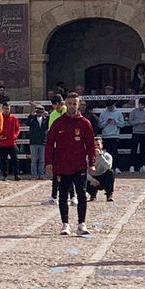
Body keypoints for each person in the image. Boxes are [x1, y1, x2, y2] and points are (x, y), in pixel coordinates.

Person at [45, 93, 99, 237]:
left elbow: (90, 145)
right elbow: (49, 143)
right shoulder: (58, 122)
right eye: (69, 103)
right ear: (65, 104)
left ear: (78, 104)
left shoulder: (85, 123)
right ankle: (65, 224)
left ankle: (81, 224)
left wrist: (92, 163)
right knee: (62, 196)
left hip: (79, 165)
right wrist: (49, 162)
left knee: (81, 195)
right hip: (61, 166)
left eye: (74, 104)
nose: (72, 106)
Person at [0, 101, 22, 179]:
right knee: (3, 160)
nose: (6, 110)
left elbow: (18, 129)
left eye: (8, 108)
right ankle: (4, 175)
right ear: (2, 109)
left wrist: (15, 136)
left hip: (12, 142)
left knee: (15, 159)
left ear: (10, 109)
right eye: (5, 108)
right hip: (2, 143)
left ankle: (16, 175)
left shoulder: (14, 118)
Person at [127, 98, 145, 172]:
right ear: (138, 104)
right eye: (141, 105)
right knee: (133, 149)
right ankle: (132, 165)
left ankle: (142, 165)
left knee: (143, 150)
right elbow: (130, 122)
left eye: (143, 105)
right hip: (136, 132)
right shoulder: (133, 112)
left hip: (143, 132)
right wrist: (139, 122)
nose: (142, 106)